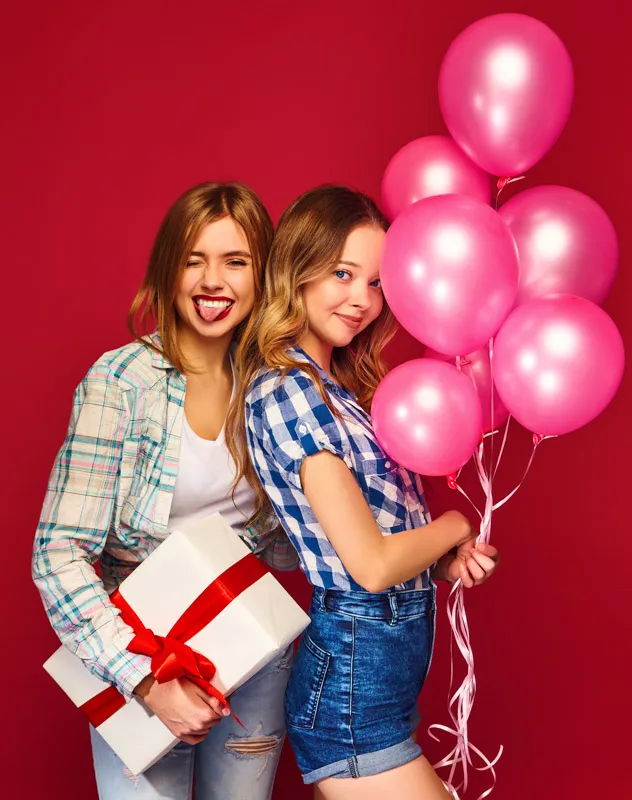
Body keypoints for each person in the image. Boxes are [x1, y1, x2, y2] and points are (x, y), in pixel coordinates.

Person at [32, 182, 297, 800]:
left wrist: (429, 551)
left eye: (235, 261)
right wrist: (145, 680)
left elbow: (315, 527)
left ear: (263, 275)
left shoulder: (275, 384)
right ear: (167, 270)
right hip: (142, 660)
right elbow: (57, 553)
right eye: (193, 260)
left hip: (253, 653)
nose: (213, 281)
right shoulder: (120, 381)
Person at [234, 185, 499, 799]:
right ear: (297, 270)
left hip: (380, 670)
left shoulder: (338, 391)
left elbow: (368, 540)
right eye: (343, 273)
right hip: (354, 685)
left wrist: (438, 563)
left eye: (377, 282)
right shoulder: (292, 392)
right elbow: (371, 566)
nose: (362, 299)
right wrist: (456, 524)